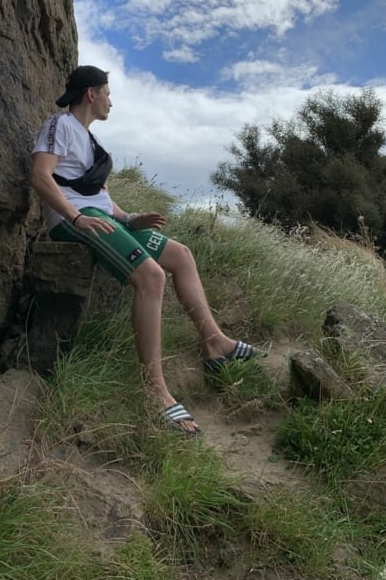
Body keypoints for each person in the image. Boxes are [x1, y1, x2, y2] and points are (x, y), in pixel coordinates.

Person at [30, 65, 265, 435]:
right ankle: (156, 391)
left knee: (180, 255)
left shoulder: (91, 142)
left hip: (101, 217)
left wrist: (131, 218)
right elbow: (41, 176)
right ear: (91, 93)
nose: (112, 101)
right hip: (77, 220)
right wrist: (75, 219)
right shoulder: (59, 126)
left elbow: (105, 199)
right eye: (108, 93)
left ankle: (215, 342)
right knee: (151, 276)